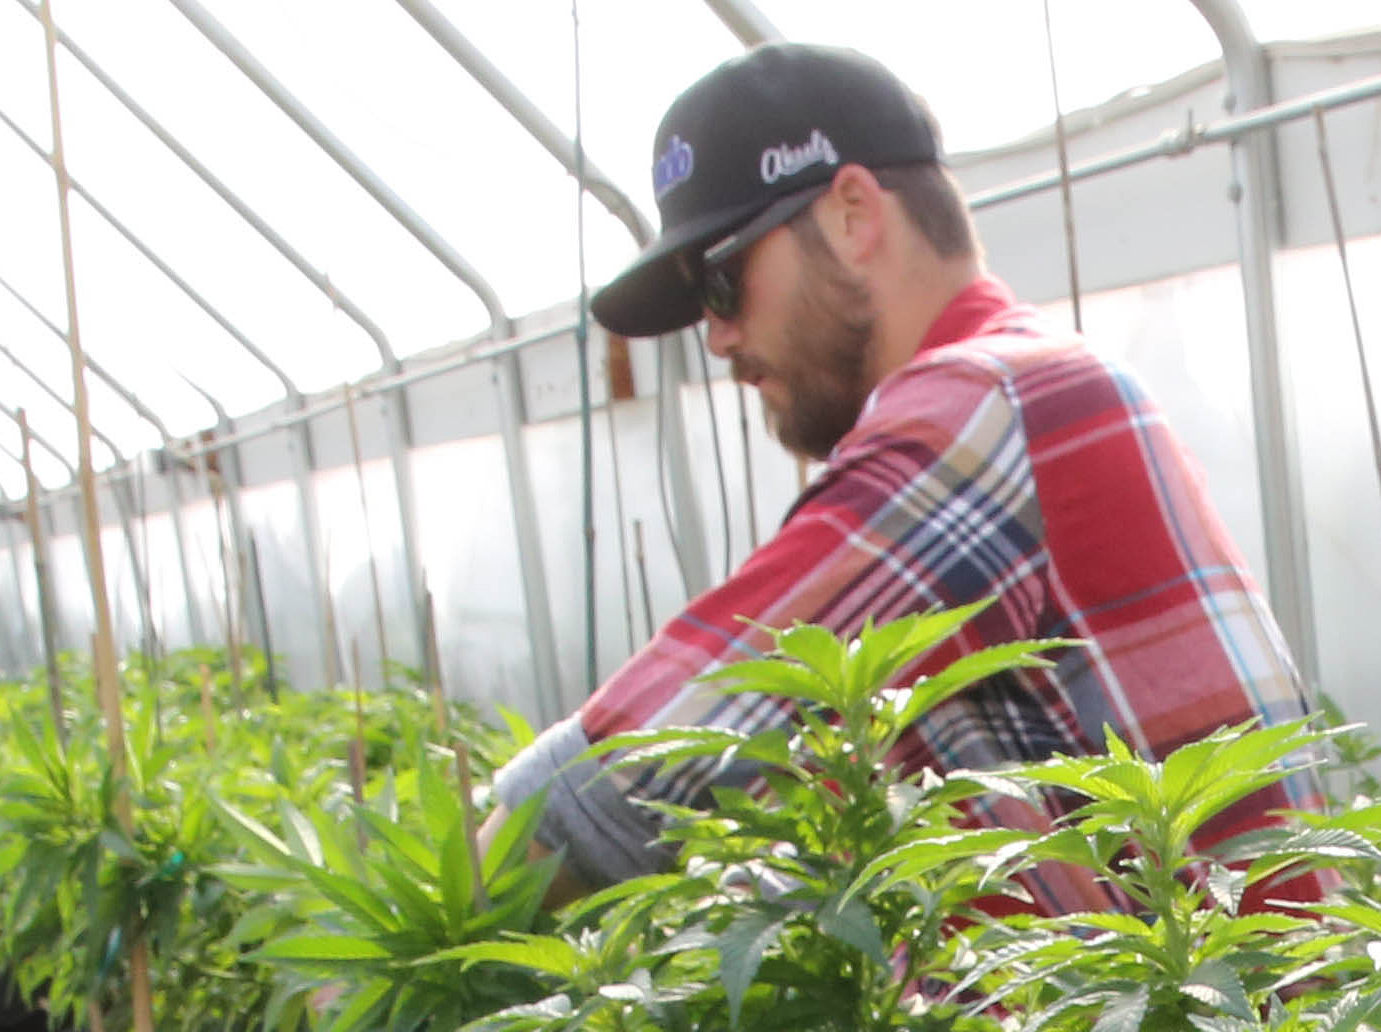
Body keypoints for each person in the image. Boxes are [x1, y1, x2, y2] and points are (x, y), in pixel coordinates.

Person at [486, 41, 1321, 893]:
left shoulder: (989, 401)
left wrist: (390, 965)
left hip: (1204, 1017)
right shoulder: (1026, 383)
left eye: (725, 281)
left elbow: (627, 787)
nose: (717, 335)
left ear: (853, 213)